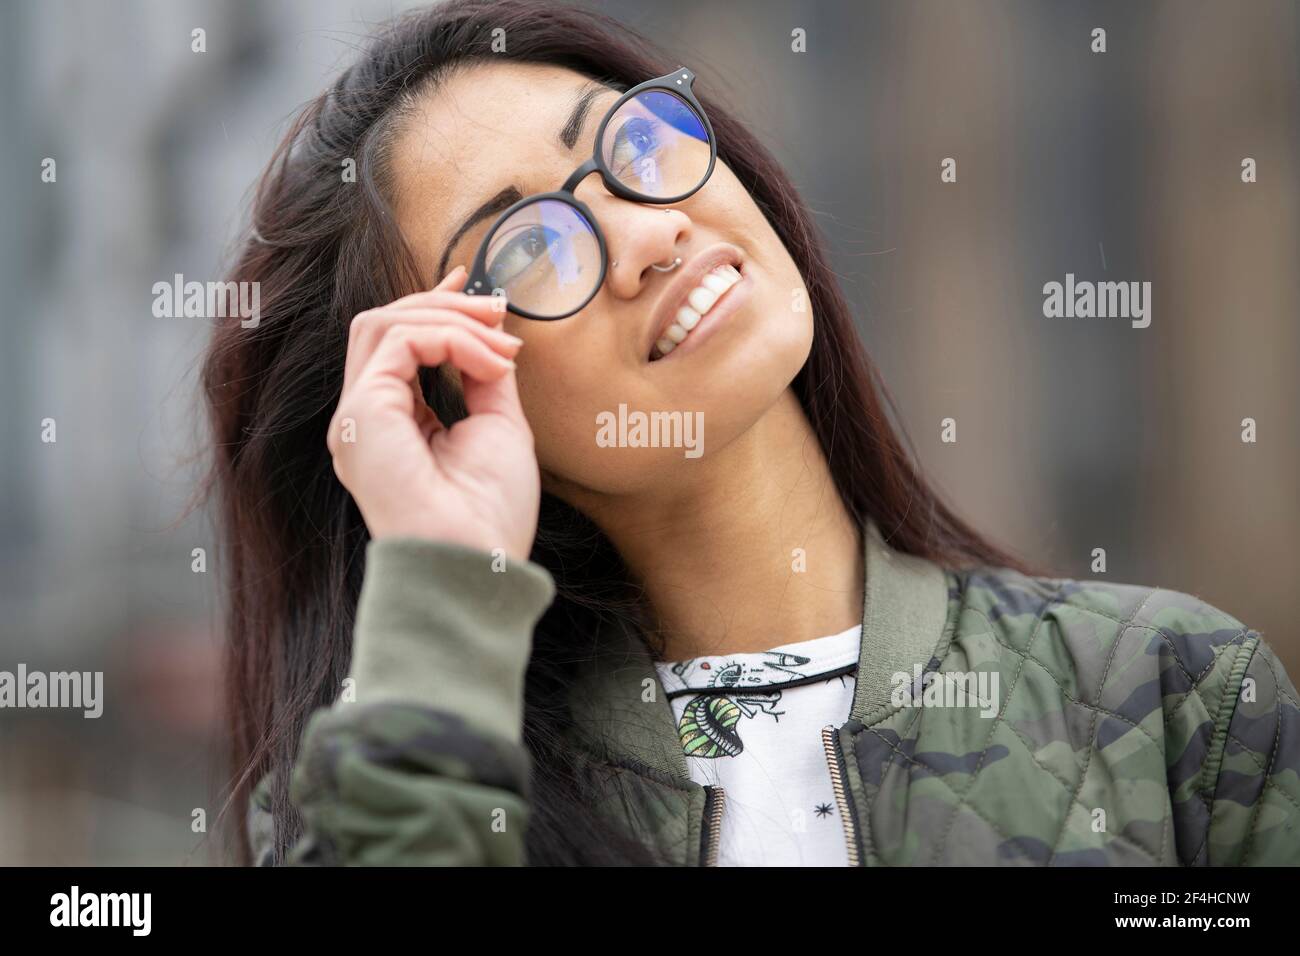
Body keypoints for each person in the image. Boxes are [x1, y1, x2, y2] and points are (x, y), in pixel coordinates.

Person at [203, 0, 1300, 866]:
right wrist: (443, 576)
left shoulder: (1170, 697)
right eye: (528, 250)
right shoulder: (400, 786)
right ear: (445, 400)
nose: (647, 231)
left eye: (633, 143)